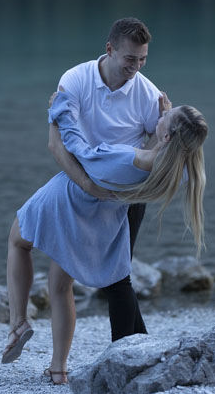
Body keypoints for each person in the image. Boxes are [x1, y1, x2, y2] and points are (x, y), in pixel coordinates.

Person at [3, 89, 207, 384]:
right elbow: (155, 155)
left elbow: (78, 149)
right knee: (60, 286)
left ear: (166, 137)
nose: (160, 115)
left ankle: (18, 321)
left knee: (17, 243)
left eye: (165, 117)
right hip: (96, 219)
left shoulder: (122, 159)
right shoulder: (179, 172)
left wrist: (60, 111)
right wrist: (168, 119)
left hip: (65, 201)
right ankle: (58, 370)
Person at [48, 18, 166, 343]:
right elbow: (58, 144)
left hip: (126, 196)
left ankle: (130, 352)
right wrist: (87, 185)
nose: (136, 67)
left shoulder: (147, 94)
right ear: (110, 49)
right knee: (113, 277)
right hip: (80, 189)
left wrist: (147, 151)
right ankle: (138, 349)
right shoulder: (75, 79)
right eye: (130, 58)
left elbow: (161, 145)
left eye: (143, 59)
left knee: (116, 276)